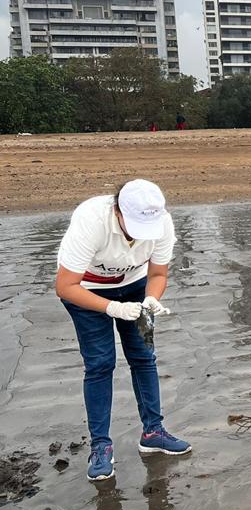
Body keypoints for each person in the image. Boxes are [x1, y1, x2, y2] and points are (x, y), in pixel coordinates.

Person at [55, 179, 191, 482]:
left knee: (144, 357)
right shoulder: (92, 220)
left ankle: (153, 432)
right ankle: (100, 447)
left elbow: (158, 273)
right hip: (85, 289)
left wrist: (152, 299)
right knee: (100, 363)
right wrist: (113, 308)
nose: (140, 235)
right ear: (117, 211)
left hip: (135, 285)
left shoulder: (163, 223)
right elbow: (65, 286)